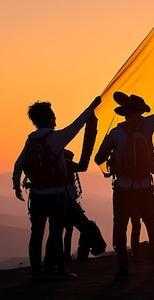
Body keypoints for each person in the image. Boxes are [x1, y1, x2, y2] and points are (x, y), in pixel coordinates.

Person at [94, 74, 154, 282]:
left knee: (120, 228)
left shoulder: (116, 133)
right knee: (152, 228)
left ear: (124, 113)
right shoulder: (148, 125)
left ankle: (123, 270)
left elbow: (99, 158)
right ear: (141, 111)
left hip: (122, 187)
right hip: (144, 186)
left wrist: (112, 158)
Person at [12, 96, 101, 279]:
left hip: (35, 195)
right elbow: (77, 126)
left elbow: (18, 164)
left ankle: (37, 272)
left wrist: (16, 186)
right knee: (55, 232)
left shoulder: (31, 141)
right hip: (55, 195)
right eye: (53, 116)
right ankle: (57, 269)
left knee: (36, 234)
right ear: (49, 118)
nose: (56, 119)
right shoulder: (54, 138)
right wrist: (91, 107)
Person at [62, 113, 106, 262]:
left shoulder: (59, 167)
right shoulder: (67, 166)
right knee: (87, 227)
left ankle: (67, 256)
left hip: (62, 203)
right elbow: (81, 167)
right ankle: (82, 255)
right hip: (69, 204)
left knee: (68, 229)